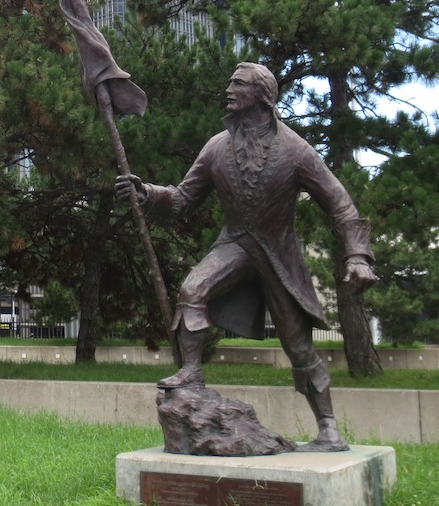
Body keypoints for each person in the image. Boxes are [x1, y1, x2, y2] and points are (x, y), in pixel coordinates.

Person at [117, 62, 377, 451]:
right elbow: (183, 199)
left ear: (262, 94)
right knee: (192, 289)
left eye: (237, 83)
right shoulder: (216, 147)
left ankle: (328, 428)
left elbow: (340, 203)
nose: (229, 89)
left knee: (299, 347)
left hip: (278, 255)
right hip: (235, 244)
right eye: (229, 81)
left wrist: (358, 256)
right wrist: (148, 194)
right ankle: (191, 373)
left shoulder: (295, 150)